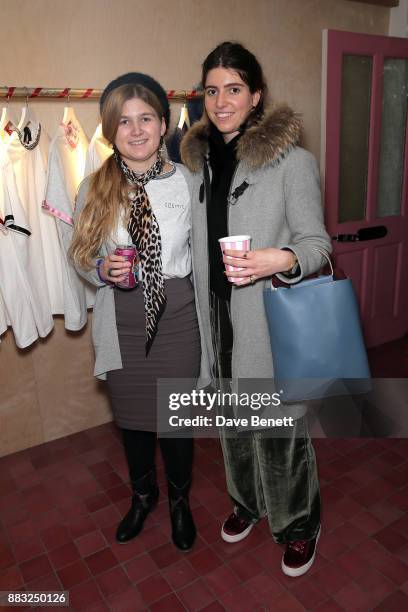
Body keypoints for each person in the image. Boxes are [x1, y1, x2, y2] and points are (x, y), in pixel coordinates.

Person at [181, 42, 332, 576]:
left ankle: (299, 524)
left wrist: (280, 258)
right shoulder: (194, 165)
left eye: (235, 89)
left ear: (256, 96)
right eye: (212, 90)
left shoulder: (293, 163)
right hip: (216, 316)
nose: (222, 101)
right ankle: (247, 501)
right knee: (232, 422)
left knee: (280, 429)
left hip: (267, 319)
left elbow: (318, 245)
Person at [69, 73, 200, 551]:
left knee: (177, 422)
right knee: (136, 423)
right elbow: (80, 257)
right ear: (110, 130)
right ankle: (143, 497)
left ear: (164, 124)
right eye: (124, 121)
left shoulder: (187, 182)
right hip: (122, 321)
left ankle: (180, 504)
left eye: (146, 117)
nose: (137, 129)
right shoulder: (93, 187)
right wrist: (101, 270)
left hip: (179, 317)